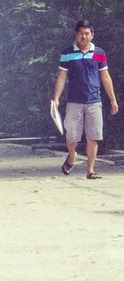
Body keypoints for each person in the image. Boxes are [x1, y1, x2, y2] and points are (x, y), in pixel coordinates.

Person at [52, 19, 118, 179]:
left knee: (93, 136)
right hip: (74, 101)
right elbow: (61, 77)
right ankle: (72, 155)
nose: (83, 36)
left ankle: (90, 170)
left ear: (92, 35)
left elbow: (105, 76)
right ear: (76, 35)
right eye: (81, 33)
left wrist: (113, 99)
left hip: (94, 101)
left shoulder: (99, 53)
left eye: (87, 33)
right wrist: (56, 98)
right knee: (71, 136)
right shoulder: (67, 53)